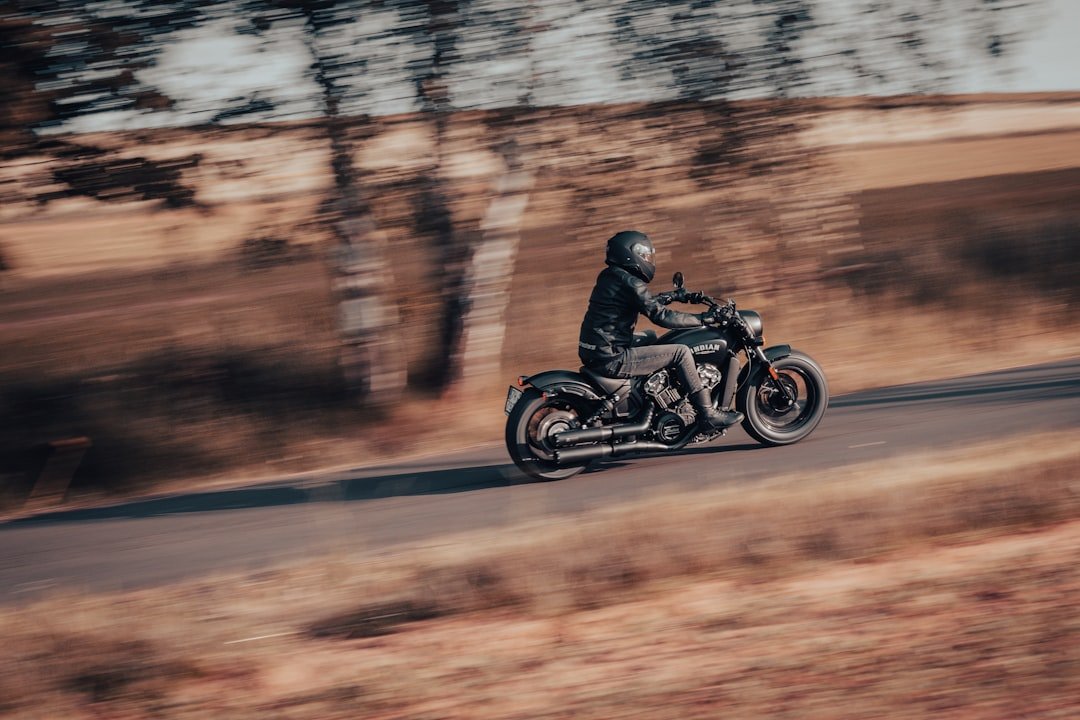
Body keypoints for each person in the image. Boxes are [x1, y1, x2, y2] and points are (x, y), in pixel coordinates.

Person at [578, 230, 743, 430]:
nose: (648, 259)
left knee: (649, 336)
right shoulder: (631, 282)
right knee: (680, 352)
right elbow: (662, 316)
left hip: (595, 349)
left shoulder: (610, 276)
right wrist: (704, 318)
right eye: (645, 255)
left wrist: (671, 296)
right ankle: (707, 413)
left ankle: (650, 401)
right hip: (613, 358)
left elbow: (638, 301)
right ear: (631, 254)